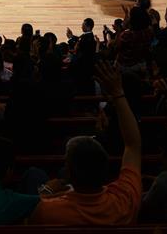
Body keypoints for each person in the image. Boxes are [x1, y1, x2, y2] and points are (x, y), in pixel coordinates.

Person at [29, 61, 142, 225]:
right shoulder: (124, 201)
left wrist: (45, 192)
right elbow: (133, 145)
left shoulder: (48, 211)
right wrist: (118, 93)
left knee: (34, 174)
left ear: (67, 173)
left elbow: (31, 219)